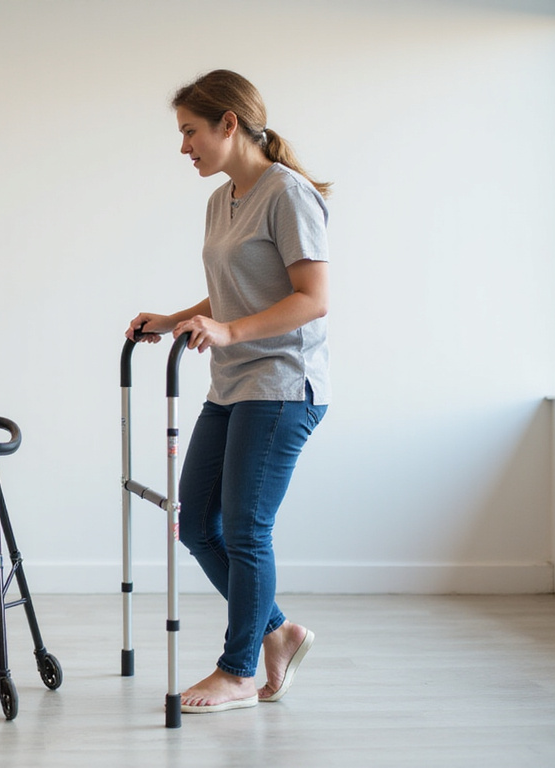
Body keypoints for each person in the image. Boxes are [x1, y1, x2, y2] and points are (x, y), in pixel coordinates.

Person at [126, 69, 330, 714]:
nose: (184, 146)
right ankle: (279, 632)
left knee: (245, 530)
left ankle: (240, 671)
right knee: (195, 524)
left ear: (230, 123)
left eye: (191, 131)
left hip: (282, 384)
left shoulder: (288, 194)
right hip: (233, 384)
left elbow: (312, 298)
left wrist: (229, 331)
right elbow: (236, 290)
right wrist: (173, 320)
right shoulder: (223, 199)